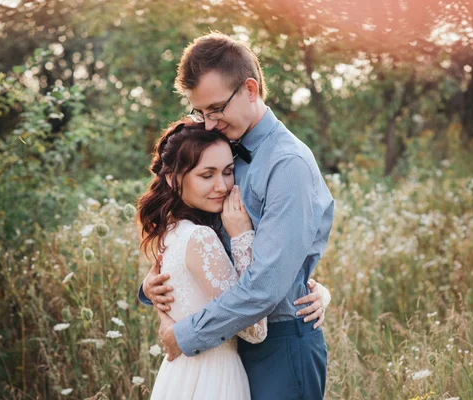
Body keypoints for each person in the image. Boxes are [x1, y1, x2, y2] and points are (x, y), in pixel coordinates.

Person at [141, 33, 335, 400]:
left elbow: (267, 285)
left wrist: (184, 334)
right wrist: (155, 286)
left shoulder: (287, 164)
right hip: (225, 346)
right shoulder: (218, 146)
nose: (209, 123)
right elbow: (191, 233)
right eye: (201, 112)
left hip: (278, 346)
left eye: (215, 109)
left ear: (250, 89)